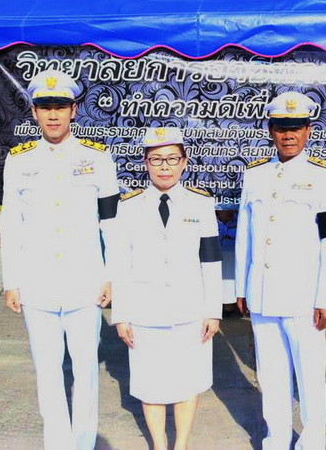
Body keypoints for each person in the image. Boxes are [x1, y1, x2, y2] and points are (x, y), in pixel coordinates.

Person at [0, 69, 120, 450]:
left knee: (86, 371)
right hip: (37, 284)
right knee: (48, 372)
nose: (53, 114)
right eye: (45, 106)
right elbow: (10, 223)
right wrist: (11, 281)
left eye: (61, 106)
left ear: (74, 110)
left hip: (85, 283)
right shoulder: (19, 161)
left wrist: (111, 275)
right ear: (34, 112)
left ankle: (83, 443)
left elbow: (111, 223)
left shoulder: (97, 158)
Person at [235, 91, 326, 449]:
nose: (289, 135)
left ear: (308, 130)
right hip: (262, 293)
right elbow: (245, 235)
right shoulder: (255, 175)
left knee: (310, 374)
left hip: (304, 296)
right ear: (271, 130)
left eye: (296, 127)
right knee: (270, 374)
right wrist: (242, 287)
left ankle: (312, 441)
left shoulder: (325, 177)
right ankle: (277, 438)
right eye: (282, 128)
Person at [111, 127, 223, 450]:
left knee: (189, 379)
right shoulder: (128, 206)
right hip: (144, 311)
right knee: (150, 383)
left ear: (184, 162)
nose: (164, 166)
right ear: (145, 163)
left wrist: (213, 311)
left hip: (190, 309)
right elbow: (120, 262)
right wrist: (121, 315)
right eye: (156, 159)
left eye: (172, 159)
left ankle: (181, 443)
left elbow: (211, 260)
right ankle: (159, 444)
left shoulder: (201, 203)